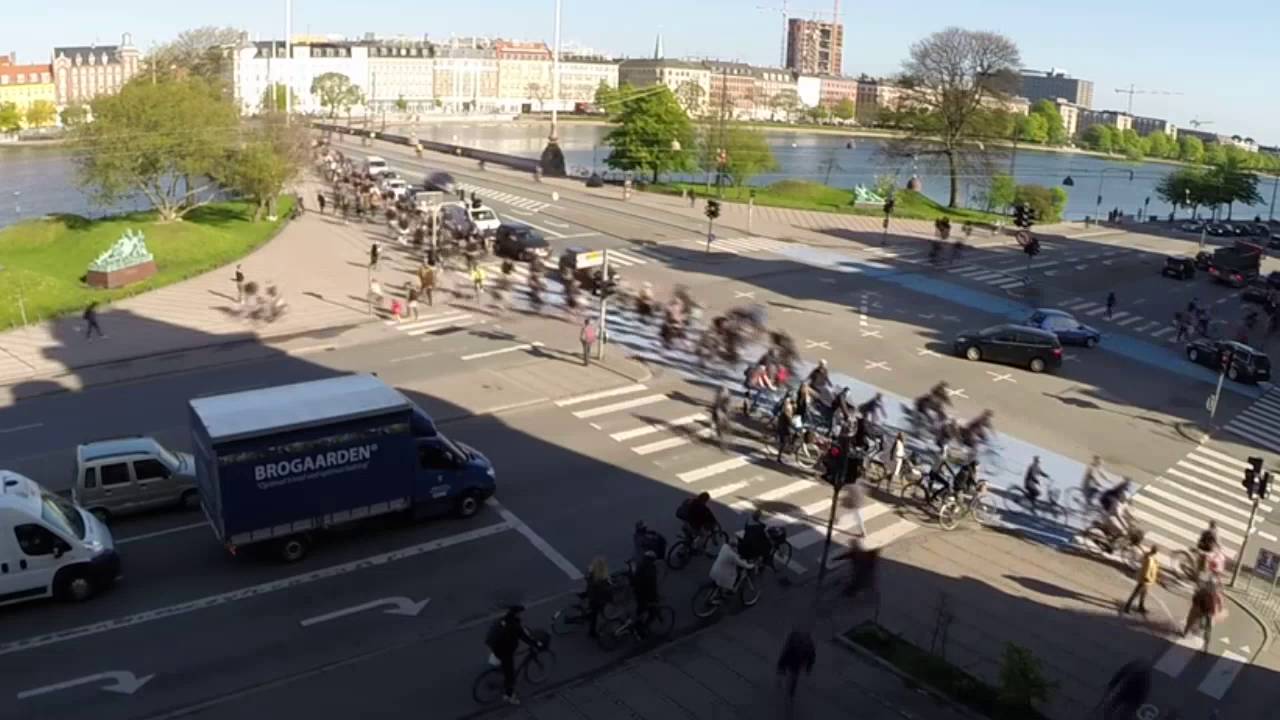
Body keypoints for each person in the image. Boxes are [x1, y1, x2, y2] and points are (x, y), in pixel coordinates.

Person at [486, 605, 536, 705]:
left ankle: (501, 671)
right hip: (504, 651)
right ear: (517, 613)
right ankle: (509, 696)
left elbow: (520, 630)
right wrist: (535, 643)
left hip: (495, 646)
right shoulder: (514, 625)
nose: (522, 614)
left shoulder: (505, 618)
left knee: (505, 666)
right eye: (521, 613)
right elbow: (523, 636)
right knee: (511, 677)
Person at [776, 625, 816, 714]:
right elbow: (784, 655)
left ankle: (791, 694)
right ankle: (781, 675)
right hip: (792, 658)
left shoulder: (810, 648)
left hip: (797, 663)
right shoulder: (794, 644)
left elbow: (811, 659)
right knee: (788, 670)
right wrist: (782, 667)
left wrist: (808, 668)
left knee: (794, 677)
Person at [1123, 545, 1160, 616]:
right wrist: (1147, 577)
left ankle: (1140, 606)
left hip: (1147, 579)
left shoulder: (1150, 557)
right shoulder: (1149, 559)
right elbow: (1147, 569)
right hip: (1145, 579)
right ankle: (1127, 607)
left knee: (1143, 593)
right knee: (1136, 593)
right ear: (1155, 552)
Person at [630, 550, 660, 635]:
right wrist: (655, 597)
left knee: (640, 610)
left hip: (638, 592)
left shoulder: (640, 565)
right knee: (652, 613)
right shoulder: (651, 569)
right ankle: (642, 629)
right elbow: (652, 586)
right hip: (646, 595)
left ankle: (638, 624)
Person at [583, 556, 612, 638]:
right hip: (597, 598)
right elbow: (605, 589)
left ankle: (592, 628)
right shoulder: (600, 579)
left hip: (591, 595)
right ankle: (593, 632)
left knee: (593, 612)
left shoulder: (590, 573)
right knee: (597, 613)